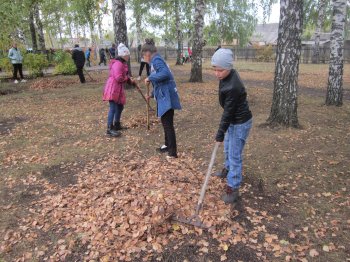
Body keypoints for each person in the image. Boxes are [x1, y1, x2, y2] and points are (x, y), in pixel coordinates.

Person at [211, 48, 253, 204]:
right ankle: (227, 170)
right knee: (228, 148)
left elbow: (228, 112)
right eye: (215, 69)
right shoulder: (226, 77)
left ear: (228, 67)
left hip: (240, 123)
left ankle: (233, 188)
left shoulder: (233, 86)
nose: (217, 73)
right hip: (233, 121)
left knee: (235, 155)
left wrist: (220, 133)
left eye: (220, 70)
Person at [142, 38, 182, 159]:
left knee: (167, 123)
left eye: (144, 57)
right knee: (165, 122)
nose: (144, 59)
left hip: (167, 97)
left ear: (147, 54)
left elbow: (166, 74)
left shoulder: (156, 60)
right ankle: (167, 145)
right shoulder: (156, 60)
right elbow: (161, 82)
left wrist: (150, 78)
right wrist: (152, 94)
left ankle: (172, 152)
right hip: (163, 95)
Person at [103, 43, 136, 137]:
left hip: (118, 88)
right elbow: (118, 78)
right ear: (123, 55)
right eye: (127, 55)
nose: (128, 56)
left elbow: (124, 75)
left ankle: (117, 125)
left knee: (120, 106)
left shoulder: (122, 63)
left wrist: (129, 80)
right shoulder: (118, 64)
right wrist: (128, 79)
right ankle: (109, 129)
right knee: (113, 108)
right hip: (113, 88)